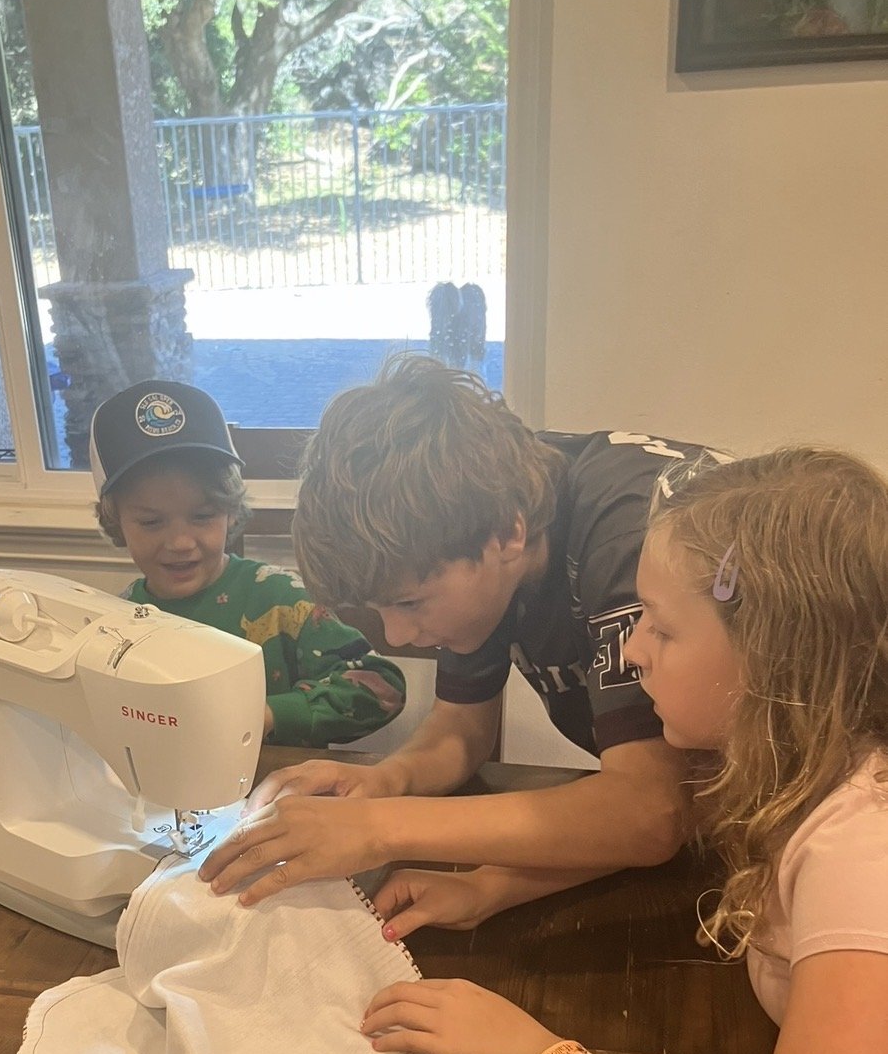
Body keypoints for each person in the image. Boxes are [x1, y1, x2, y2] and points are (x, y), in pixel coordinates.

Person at [362, 447, 888, 1054]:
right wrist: (496, 887)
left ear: (774, 653)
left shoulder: (858, 850)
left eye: (660, 627)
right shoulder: (788, 773)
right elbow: (668, 831)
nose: (631, 648)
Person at [200, 355, 724, 910]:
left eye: (409, 602)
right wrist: (387, 782)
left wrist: (378, 827)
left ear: (508, 536)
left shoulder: (634, 540)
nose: (398, 635)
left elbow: (653, 810)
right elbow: (462, 725)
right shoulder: (478, 502)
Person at [89, 379, 406, 747]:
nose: (179, 542)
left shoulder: (282, 598)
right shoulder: (118, 622)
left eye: (203, 515)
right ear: (116, 523)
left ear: (230, 511)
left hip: (274, 793)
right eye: (151, 522)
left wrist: (271, 715)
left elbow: (383, 688)